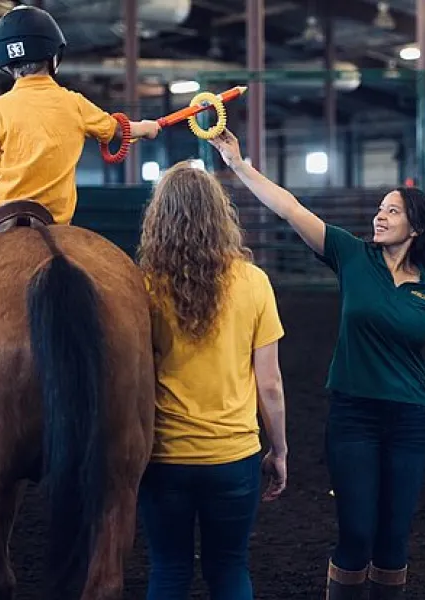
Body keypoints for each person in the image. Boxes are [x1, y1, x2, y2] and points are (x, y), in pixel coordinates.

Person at [209, 129, 425, 599]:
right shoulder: (352, 256)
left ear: (415, 226)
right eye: (380, 209)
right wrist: (238, 164)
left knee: (393, 541)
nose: (379, 217)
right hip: (353, 417)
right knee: (357, 533)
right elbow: (290, 208)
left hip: (409, 421)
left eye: (392, 211)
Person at [0, 4, 159, 296]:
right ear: (54, 56)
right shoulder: (74, 103)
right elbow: (119, 129)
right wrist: (148, 127)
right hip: (54, 217)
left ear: (6, 65)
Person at [136, 160, 289, 600]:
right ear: (219, 216)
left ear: (158, 219)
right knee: (229, 568)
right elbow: (271, 384)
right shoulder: (254, 282)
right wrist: (278, 449)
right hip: (234, 456)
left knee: (167, 570)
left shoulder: (142, 287)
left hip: (164, 455)